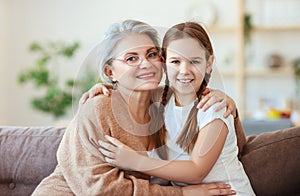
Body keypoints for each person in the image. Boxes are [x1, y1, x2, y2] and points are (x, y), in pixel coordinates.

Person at [32, 19, 236, 196]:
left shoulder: (165, 101)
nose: (145, 64)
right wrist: (180, 193)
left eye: (151, 54)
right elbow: (100, 190)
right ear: (110, 72)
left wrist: (227, 102)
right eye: (131, 58)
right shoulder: (97, 109)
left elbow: (227, 139)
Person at [92, 22, 255, 195]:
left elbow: (196, 172)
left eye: (194, 61)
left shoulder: (214, 108)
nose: (184, 70)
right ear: (163, 63)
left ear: (209, 63)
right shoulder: (161, 99)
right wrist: (103, 88)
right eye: (175, 61)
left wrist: (134, 161)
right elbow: (129, 87)